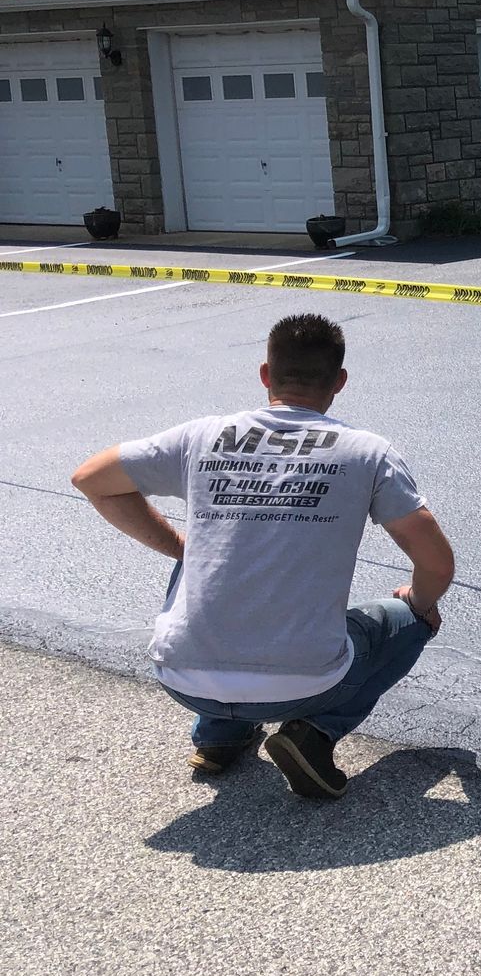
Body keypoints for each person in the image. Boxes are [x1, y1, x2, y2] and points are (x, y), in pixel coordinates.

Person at [70, 313, 454, 800]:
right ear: (338, 382)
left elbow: (91, 479)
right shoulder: (367, 453)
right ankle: (315, 734)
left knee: (206, 559)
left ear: (266, 374)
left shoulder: (202, 436)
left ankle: (217, 738)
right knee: (409, 619)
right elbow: (437, 565)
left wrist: (179, 548)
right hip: (307, 683)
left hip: (182, 676)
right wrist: (419, 601)